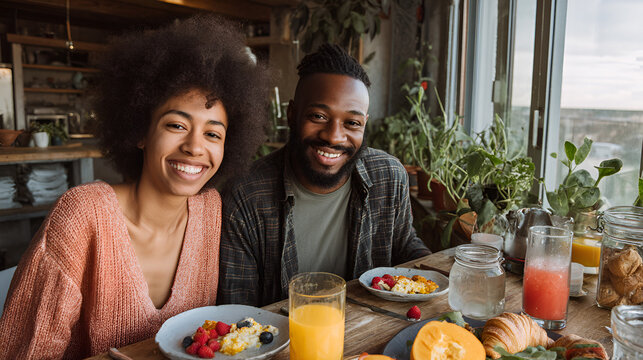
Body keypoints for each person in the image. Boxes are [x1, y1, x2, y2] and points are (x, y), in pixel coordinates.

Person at [0, 15, 268, 358]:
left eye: (213, 133)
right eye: (176, 125)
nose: (195, 147)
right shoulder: (82, 216)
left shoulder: (211, 210)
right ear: (140, 131)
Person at [218, 43, 430, 307]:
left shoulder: (389, 176)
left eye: (352, 123)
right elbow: (238, 309)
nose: (333, 136)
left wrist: (440, 272)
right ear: (292, 114)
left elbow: (404, 243)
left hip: (374, 339)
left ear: (365, 123)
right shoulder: (246, 195)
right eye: (318, 116)